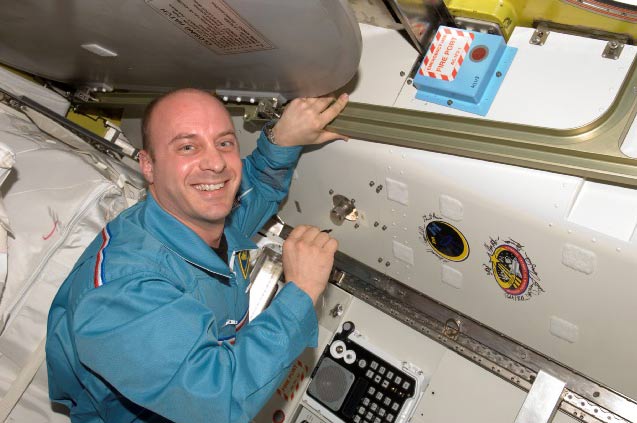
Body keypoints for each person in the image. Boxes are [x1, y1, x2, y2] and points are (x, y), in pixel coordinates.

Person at [45, 88, 349, 423]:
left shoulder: (202, 219)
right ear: (148, 165)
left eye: (224, 143)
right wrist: (300, 293)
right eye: (188, 147)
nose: (216, 162)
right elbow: (217, 402)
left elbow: (253, 187)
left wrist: (281, 140)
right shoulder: (120, 290)